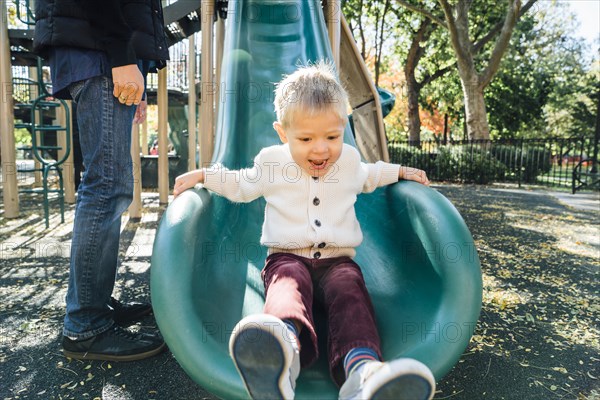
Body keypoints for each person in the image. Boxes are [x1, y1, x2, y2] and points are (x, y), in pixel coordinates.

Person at [173, 62, 436, 400]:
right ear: (283, 133)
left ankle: (362, 374)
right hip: (287, 255)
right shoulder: (272, 162)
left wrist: (400, 170)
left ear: (344, 127)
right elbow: (242, 184)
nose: (321, 149)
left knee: (350, 291)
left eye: (332, 136)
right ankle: (279, 355)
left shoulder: (349, 162)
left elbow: (370, 174)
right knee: (287, 284)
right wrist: (206, 176)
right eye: (306, 138)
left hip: (337, 260)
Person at [33, 0, 168, 361]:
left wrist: (133, 64)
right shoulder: (110, 50)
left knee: (106, 184)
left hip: (102, 50)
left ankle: (94, 305)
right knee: (107, 185)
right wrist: (122, 57)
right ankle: (85, 325)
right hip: (101, 53)